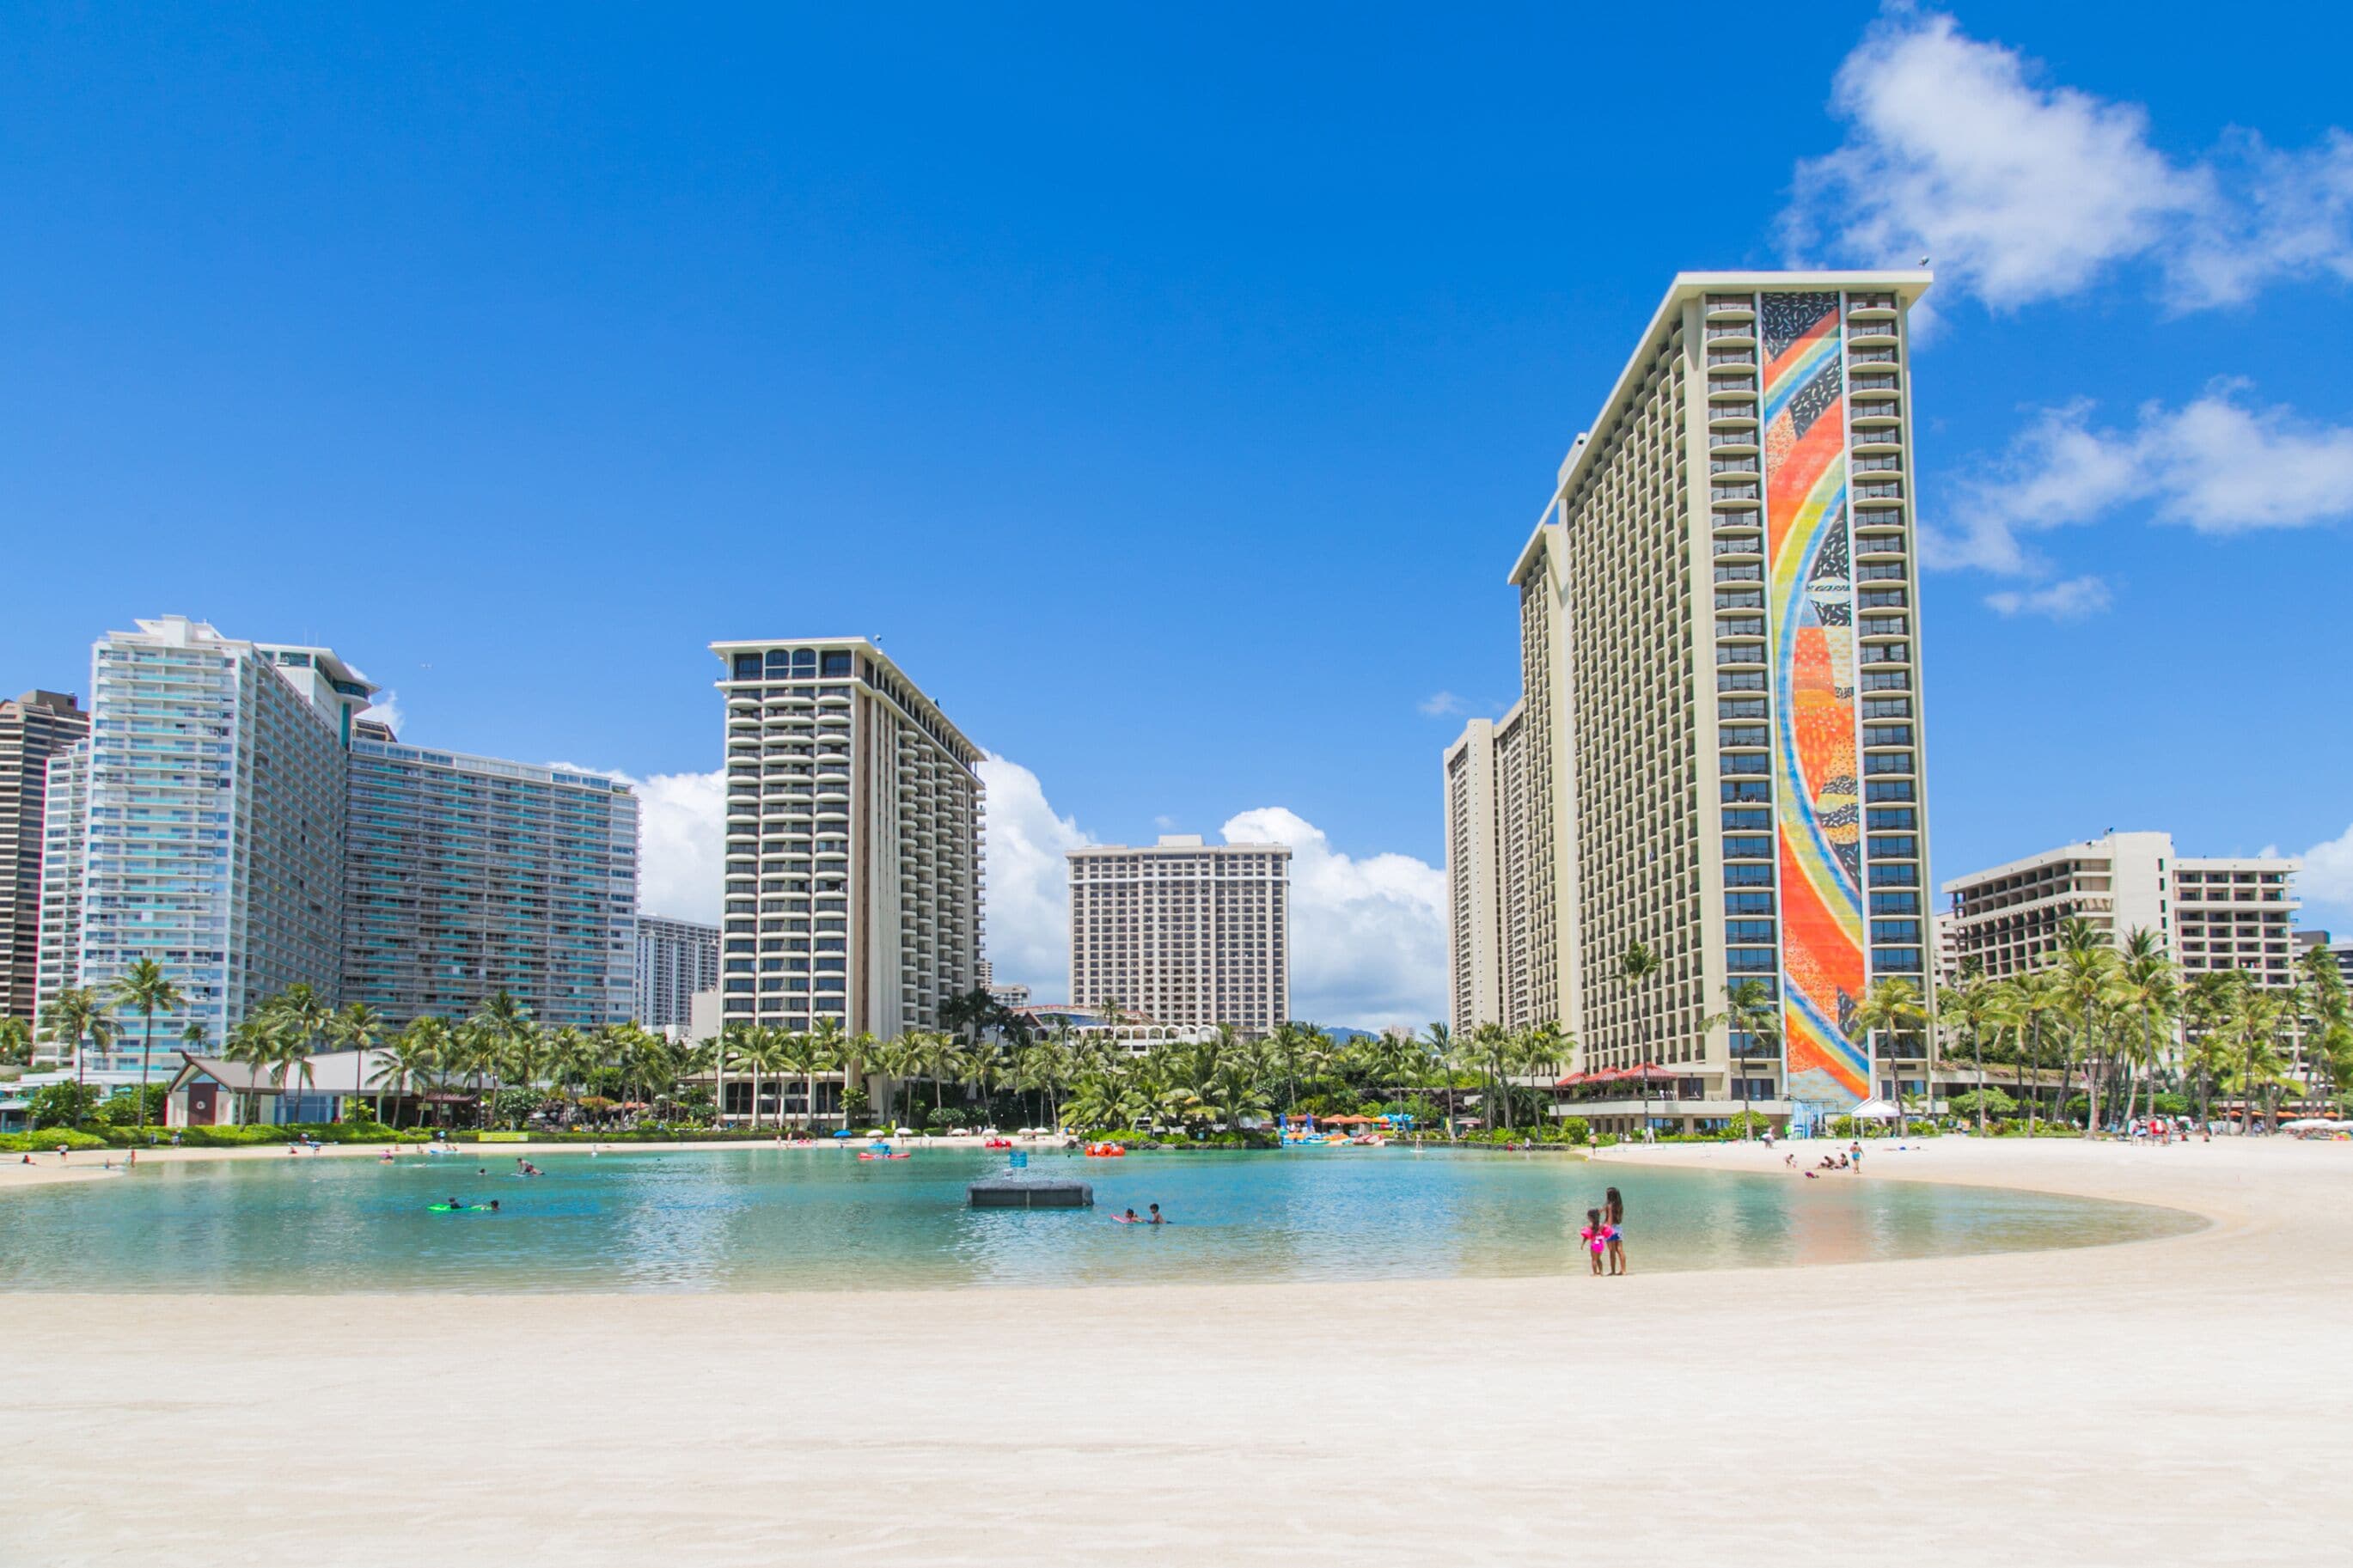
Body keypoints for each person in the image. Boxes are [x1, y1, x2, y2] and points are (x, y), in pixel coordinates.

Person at [1580, 1208, 1606, 1275]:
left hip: (1594, 1244)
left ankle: (1595, 1273)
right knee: (1598, 1259)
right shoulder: (1601, 1225)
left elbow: (1586, 1236)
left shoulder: (1590, 1225)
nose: (1588, 1218)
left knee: (1594, 1259)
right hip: (1601, 1244)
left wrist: (1582, 1244)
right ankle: (1601, 1272)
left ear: (1591, 1217)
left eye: (1588, 1217)